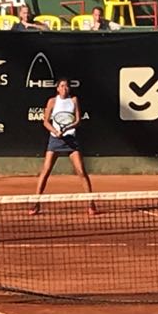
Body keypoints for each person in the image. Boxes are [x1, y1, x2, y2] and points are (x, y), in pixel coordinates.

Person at [31, 78, 96, 216]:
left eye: (66, 86)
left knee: (81, 171)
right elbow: (45, 122)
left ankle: (91, 204)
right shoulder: (52, 102)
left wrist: (68, 127)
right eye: (62, 86)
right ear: (57, 88)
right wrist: (55, 132)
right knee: (46, 170)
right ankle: (36, 204)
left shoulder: (74, 100)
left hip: (71, 140)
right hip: (55, 140)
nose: (65, 88)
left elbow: (78, 120)